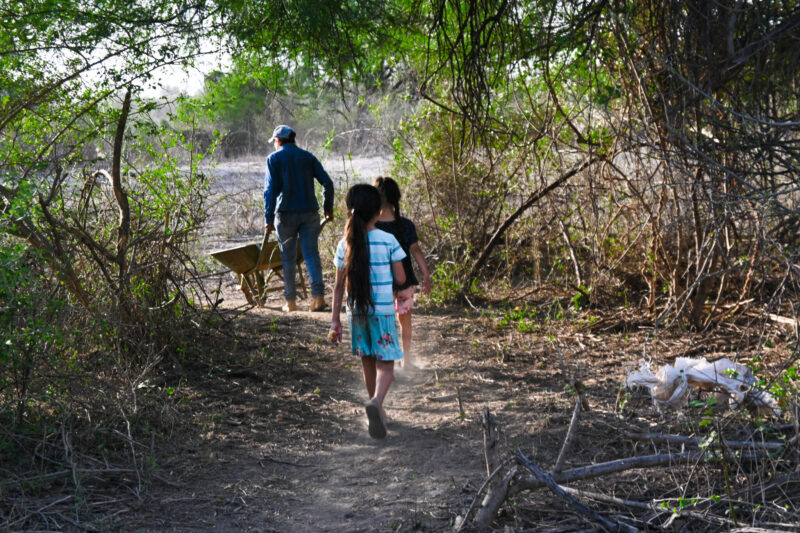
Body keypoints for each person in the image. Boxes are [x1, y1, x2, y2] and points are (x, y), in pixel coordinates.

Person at [329, 184, 406, 439]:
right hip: (383, 311)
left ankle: (378, 410)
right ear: (378, 211)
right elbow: (401, 276)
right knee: (387, 364)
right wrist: (398, 288)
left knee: (368, 361)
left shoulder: (345, 244)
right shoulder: (388, 240)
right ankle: (376, 402)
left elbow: (338, 287)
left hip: (356, 312)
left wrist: (334, 322)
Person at [264, 125, 334, 312]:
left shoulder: (274, 159)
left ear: (278, 141)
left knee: (287, 258)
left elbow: (269, 192)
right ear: (293, 139)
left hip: (285, 214)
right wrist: (328, 209)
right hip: (310, 212)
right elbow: (327, 183)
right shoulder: (308, 157)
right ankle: (318, 298)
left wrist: (268, 218)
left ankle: (291, 302)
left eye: (275, 142)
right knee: (311, 254)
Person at [373, 177, 432, 369]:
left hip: (380, 282)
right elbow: (416, 250)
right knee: (405, 322)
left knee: (384, 321)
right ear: (397, 198)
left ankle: (387, 361)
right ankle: (406, 361)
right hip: (404, 280)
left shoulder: (371, 226)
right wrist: (426, 275)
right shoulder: (405, 225)